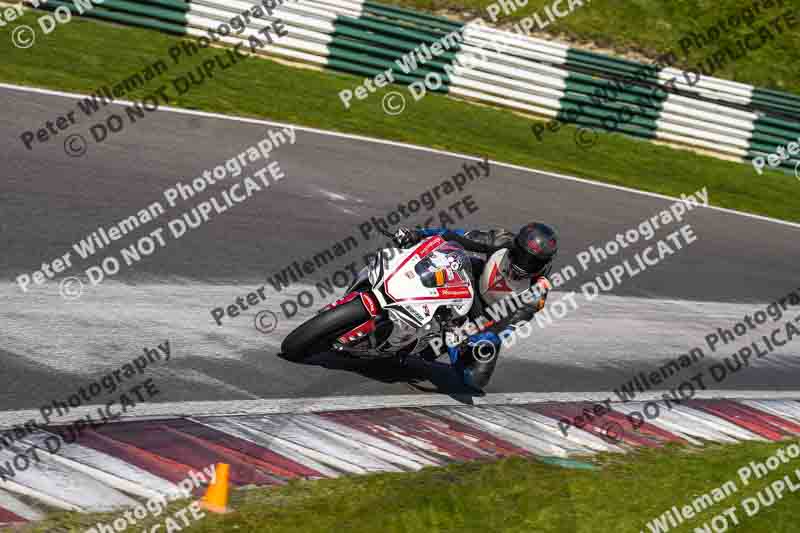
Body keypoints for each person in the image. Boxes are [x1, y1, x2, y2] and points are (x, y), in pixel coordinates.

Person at [392, 223, 559, 390]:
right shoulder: (501, 240)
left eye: (533, 262)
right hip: (470, 282)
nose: (525, 265)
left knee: (475, 380)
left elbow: (506, 328)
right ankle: (402, 289)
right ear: (515, 246)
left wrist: (473, 338)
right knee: (446, 259)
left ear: (545, 264)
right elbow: (455, 235)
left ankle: (449, 340)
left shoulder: (537, 293)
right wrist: (419, 233)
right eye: (522, 256)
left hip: (488, 321)